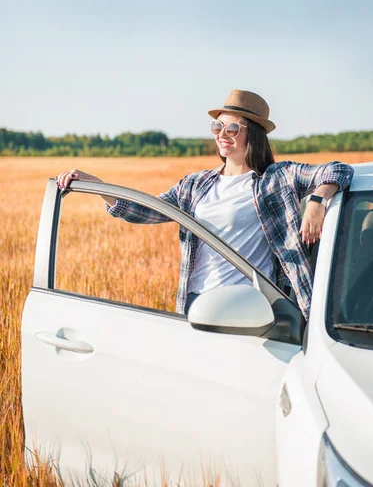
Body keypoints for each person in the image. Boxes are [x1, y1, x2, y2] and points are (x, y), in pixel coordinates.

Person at [56, 90, 354, 320]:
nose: (221, 136)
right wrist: (96, 185)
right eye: (217, 127)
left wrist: (317, 199)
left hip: (248, 307)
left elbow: (339, 170)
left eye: (232, 129)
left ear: (253, 133)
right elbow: (147, 210)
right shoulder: (196, 185)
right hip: (195, 300)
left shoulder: (277, 180)